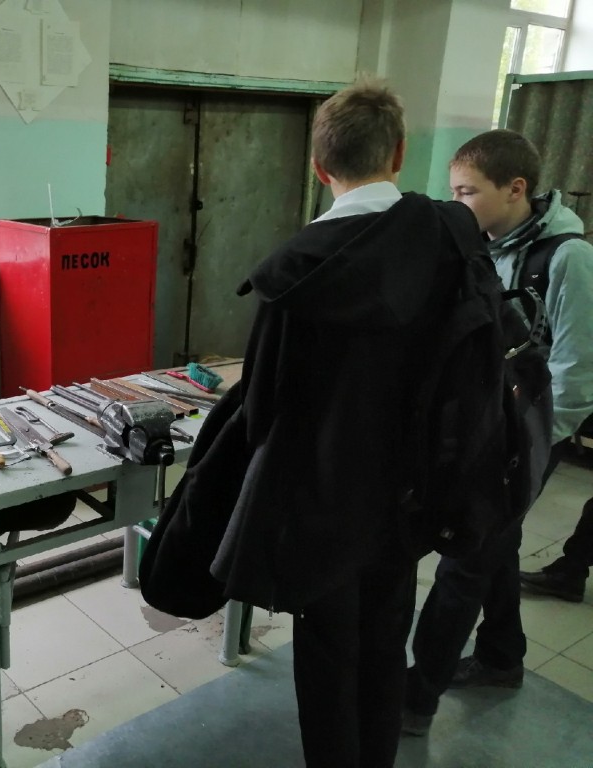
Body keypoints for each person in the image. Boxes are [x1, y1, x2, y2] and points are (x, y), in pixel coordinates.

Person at [141, 77, 489, 768]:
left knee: (329, 653)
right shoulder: (451, 237)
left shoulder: (295, 273)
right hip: (416, 489)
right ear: (399, 153)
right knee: (385, 639)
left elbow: (264, 413)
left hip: (323, 502)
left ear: (319, 167)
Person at [404, 129, 593, 735]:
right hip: (488, 425)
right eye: (453, 192)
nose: (457, 204)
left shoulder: (568, 259)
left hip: (529, 434)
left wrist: (526, 450)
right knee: (497, 542)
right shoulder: (483, 244)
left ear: (516, 189)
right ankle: (501, 657)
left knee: (468, 553)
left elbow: (578, 371)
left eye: (468, 192)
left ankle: (417, 696)